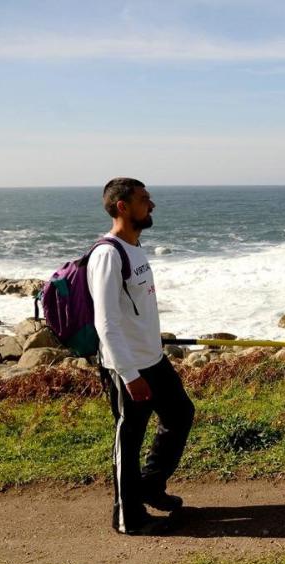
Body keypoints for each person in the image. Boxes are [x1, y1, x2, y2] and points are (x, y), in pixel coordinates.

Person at [89, 177, 195, 536]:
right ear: (123, 206)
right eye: (144, 200)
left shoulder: (135, 248)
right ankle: (127, 518)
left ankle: (150, 485)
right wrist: (129, 373)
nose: (152, 205)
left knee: (180, 414)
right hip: (128, 366)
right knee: (128, 440)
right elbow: (105, 321)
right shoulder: (107, 254)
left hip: (153, 358)